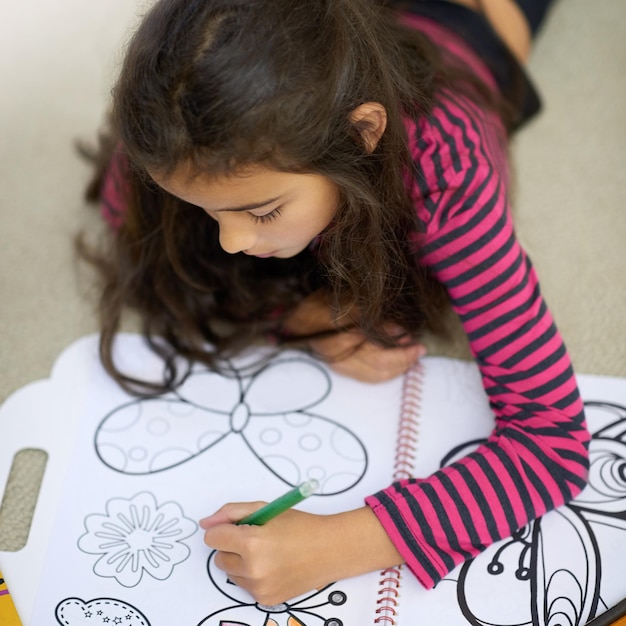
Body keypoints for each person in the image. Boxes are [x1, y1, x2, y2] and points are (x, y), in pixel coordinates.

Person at [82, 0, 590, 606]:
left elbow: (553, 444)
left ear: (361, 135)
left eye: (262, 211)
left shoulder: (448, 179)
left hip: (464, 29)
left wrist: (337, 545)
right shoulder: (175, 119)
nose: (231, 241)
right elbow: (123, 210)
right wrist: (296, 319)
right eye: (201, 209)